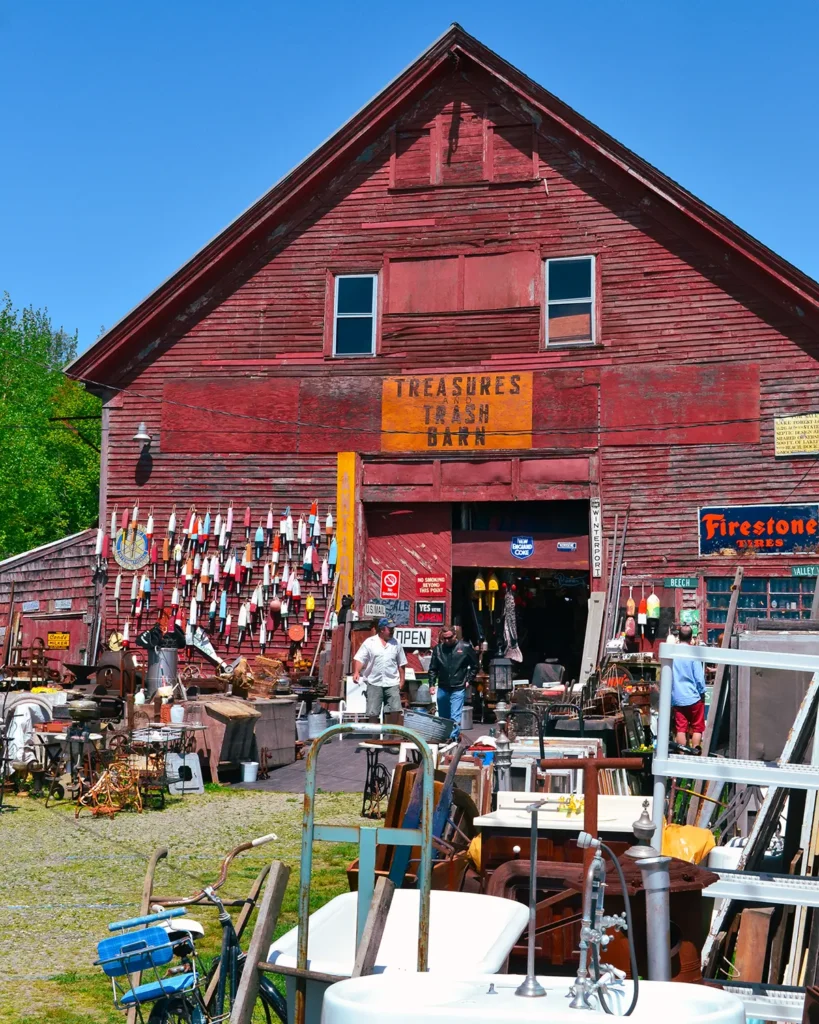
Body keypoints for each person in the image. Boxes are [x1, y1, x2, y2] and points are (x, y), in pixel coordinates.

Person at [428, 627, 478, 739]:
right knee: (443, 716)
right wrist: (431, 684)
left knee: (455, 716)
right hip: (443, 686)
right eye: (444, 638)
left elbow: (475, 666)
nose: (447, 640)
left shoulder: (465, 647)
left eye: (450, 638)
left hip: (458, 686)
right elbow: (433, 668)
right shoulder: (438, 649)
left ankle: (453, 738)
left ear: (455, 635)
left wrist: (469, 680)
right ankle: (445, 737)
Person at [353, 617, 407, 721]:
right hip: (374, 682)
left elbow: (402, 663)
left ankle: (390, 735)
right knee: (373, 712)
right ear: (382, 629)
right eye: (390, 629)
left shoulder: (396, 643)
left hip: (392, 682)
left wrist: (402, 680)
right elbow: (360, 658)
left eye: (393, 629)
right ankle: (375, 736)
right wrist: (356, 672)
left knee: (394, 710)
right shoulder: (370, 642)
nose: (392, 631)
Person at [671, 623, 706, 750]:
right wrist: (702, 692)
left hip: (678, 698)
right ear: (691, 638)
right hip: (694, 698)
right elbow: (699, 678)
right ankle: (696, 751)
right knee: (697, 728)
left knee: (681, 729)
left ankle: (682, 756)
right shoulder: (693, 653)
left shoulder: (672, 653)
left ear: (678, 637)